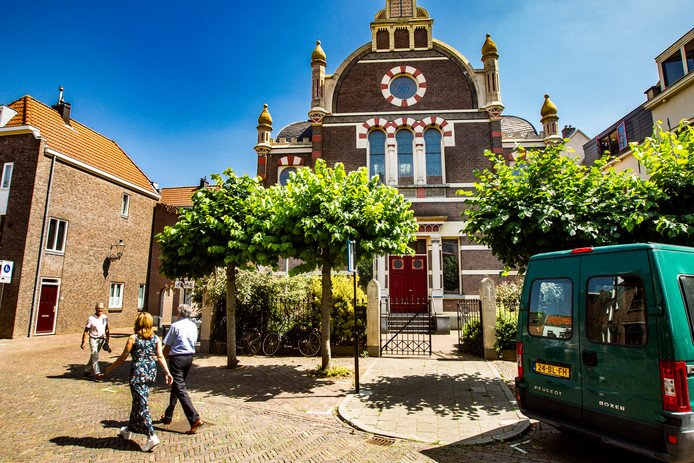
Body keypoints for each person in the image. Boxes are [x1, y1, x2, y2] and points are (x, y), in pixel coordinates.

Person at [102, 312, 173, 452]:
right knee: (138, 401)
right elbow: (160, 356)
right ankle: (128, 429)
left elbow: (123, 357)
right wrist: (167, 372)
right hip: (151, 372)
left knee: (142, 404)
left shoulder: (133, 338)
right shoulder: (156, 339)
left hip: (138, 373)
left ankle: (151, 435)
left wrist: (110, 368)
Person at [161, 304, 203, 434]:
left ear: (179, 314)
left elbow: (167, 345)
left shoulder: (175, 326)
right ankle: (168, 415)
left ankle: (194, 418)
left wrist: (163, 357)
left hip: (177, 359)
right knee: (177, 385)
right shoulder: (193, 326)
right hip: (189, 358)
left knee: (180, 388)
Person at [81, 302, 110, 377]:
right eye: (98, 308)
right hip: (93, 339)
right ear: (96, 309)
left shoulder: (105, 318)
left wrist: (107, 341)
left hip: (101, 339)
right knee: (95, 355)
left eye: (101, 308)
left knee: (94, 355)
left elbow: (107, 329)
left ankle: (87, 370)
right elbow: (86, 331)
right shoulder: (91, 319)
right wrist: (83, 342)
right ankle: (97, 373)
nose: (99, 310)